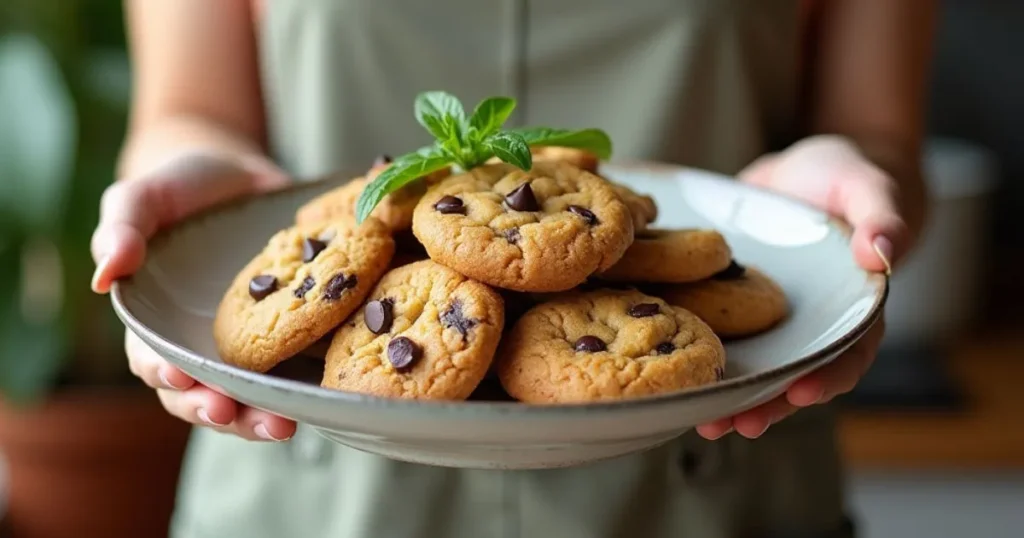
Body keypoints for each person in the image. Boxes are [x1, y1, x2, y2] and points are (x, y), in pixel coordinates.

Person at [90, 0, 934, 536]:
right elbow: (189, 109)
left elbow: (881, 132)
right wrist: (187, 193)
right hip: (309, 485)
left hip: (720, 481)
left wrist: (852, 194)